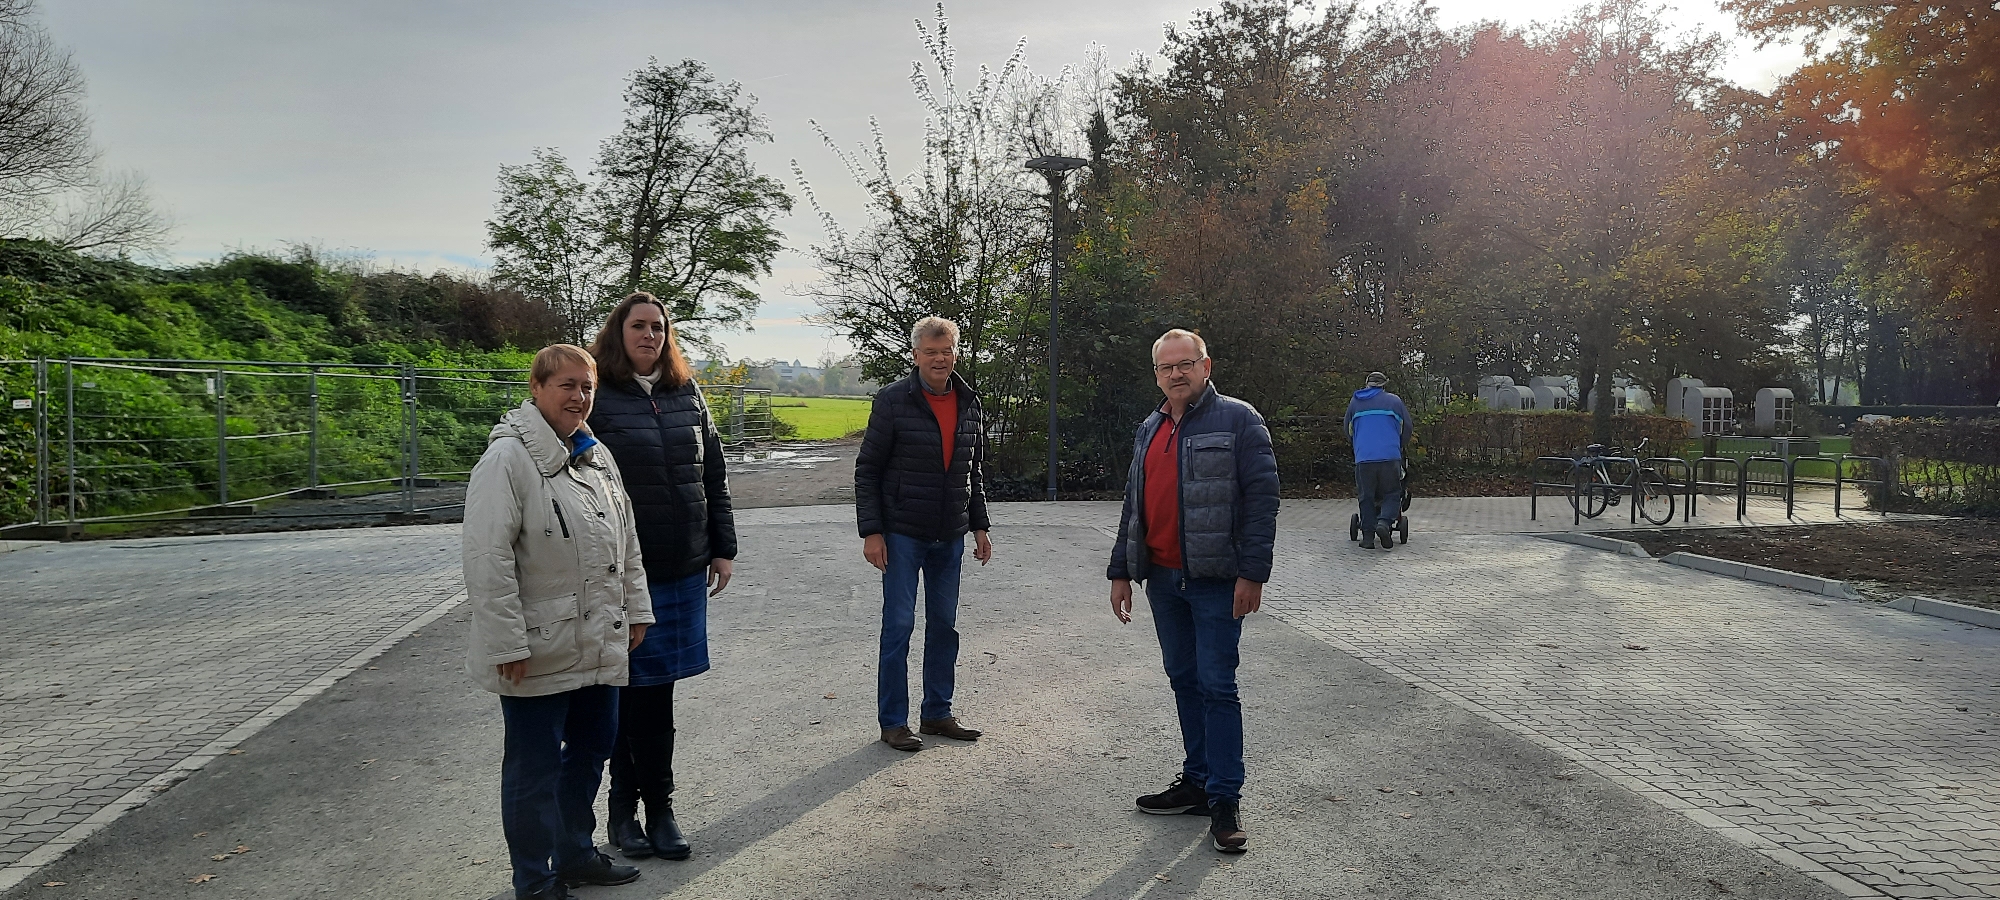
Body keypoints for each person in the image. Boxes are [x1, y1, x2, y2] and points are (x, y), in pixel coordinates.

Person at [465, 344, 651, 900]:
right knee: (534, 766)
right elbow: (486, 559)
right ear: (538, 388)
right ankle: (535, 879)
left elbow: (628, 541)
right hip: (536, 647)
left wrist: (636, 608)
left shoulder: (597, 456)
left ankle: (574, 853)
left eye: (587, 387)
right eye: (567, 385)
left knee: (593, 748)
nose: (579, 397)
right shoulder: (506, 461)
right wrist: (506, 642)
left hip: (599, 638)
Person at [1108, 328, 1279, 855]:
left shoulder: (1239, 419)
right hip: (1162, 579)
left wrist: (1253, 573)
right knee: (1183, 679)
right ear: (1157, 375)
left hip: (1216, 581)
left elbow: (1262, 500)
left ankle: (1225, 799)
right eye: (1166, 367)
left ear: (1207, 365)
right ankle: (1198, 782)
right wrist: (1121, 570)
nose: (1176, 374)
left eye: (1186, 364)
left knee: (1217, 686)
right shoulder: (1150, 427)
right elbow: (1134, 504)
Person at [584, 292, 737, 861]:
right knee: (624, 694)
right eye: (639, 326)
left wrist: (722, 547)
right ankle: (622, 813)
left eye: (658, 327)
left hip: (681, 566)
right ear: (619, 333)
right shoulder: (597, 394)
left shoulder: (686, 391)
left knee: (659, 695)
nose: (649, 335)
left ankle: (660, 809)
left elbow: (713, 474)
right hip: (623, 572)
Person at [855, 315, 992, 752]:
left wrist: (980, 525)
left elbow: (972, 470)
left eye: (946, 350)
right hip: (902, 533)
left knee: (944, 625)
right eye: (931, 351)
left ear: (955, 354)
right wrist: (872, 531)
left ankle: (937, 713)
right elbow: (868, 470)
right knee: (898, 625)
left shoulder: (969, 401)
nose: (939, 358)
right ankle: (893, 721)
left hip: (949, 534)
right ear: (916, 355)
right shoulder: (893, 401)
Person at [1344, 371, 1411, 550]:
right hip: (1390, 456)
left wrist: (1358, 445)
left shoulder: (1355, 402)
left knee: (1366, 496)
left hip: (1364, 458)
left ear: (1367, 384)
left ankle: (1367, 537)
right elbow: (1407, 427)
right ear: (1383, 385)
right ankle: (1384, 523)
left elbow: (1348, 429)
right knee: (1391, 493)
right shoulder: (1395, 401)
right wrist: (1399, 445)